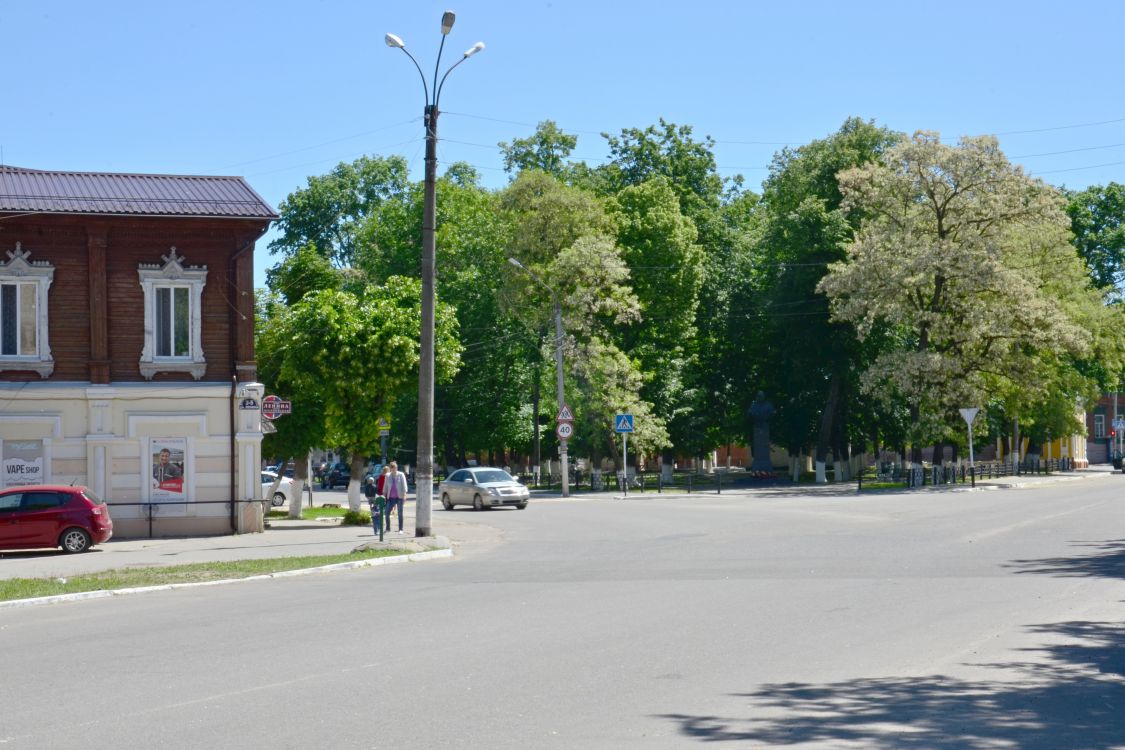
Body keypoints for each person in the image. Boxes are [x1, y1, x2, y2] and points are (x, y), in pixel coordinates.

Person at [384, 461, 407, 534]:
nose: (395, 469)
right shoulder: (387, 475)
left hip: (399, 497)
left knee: (400, 513)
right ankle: (388, 528)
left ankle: (401, 529)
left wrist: (404, 494)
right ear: (390, 469)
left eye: (396, 468)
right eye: (393, 468)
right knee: (387, 513)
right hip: (390, 498)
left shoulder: (401, 474)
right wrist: (384, 495)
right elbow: (385, 486)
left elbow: (404, 485)